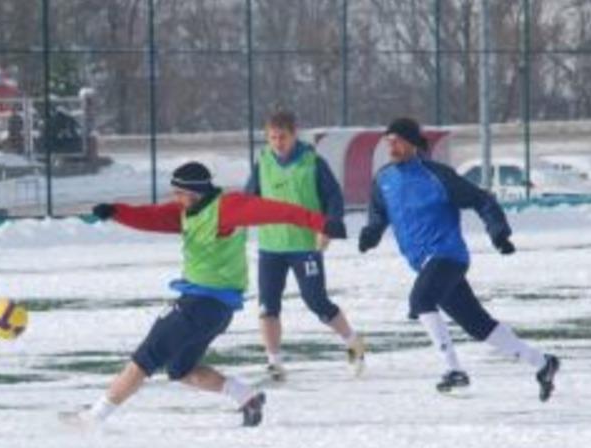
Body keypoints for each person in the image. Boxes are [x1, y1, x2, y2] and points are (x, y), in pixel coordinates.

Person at [67, 161, 329, 427]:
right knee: (181, 369)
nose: (175, 198)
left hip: (199, 305)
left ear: (195, 193)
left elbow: (277, 211)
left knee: (145, 357)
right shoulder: (188, 210)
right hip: (215, 310)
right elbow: (152, 216)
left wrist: (320, 223)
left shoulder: (226, 208)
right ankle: (246, 397)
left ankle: (94, 416)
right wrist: (115, 211)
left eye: (179, 193)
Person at [358, 117, 560, 400]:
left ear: (414, 144)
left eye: (399, 141)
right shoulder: (383, 179)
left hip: (447, 255)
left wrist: (498, 232)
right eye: (389, 141)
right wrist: (371, 233)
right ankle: (543, 363)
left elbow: (482, 200)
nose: (392, 146)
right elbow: (378, 214)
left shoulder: (438, 176)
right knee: (479, 326)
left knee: (420, 301)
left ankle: (454, 370)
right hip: (424, 263)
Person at [245, 111, 365, 381]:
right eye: (272, 137)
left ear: (294, 134)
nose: (277, 143)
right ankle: (274, 363)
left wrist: (328, 228)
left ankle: (354, 344)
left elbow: (334, 197)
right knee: (267, 306)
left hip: (304, 245)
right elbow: (249, 198)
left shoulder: (312, 161)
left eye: (282, 137)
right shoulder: (263, 161)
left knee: (317, 302)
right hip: (271, 246)